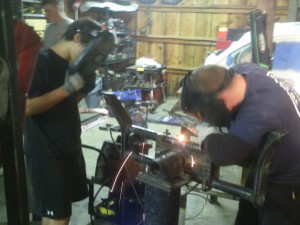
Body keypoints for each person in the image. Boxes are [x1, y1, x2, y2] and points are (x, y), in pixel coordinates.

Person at [181, 62, 300, 225]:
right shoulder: (241, 72)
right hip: (266, 162)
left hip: (288, 176)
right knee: (247, 215)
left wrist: (204, 128)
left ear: (218, 102)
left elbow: (222, 154)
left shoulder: (260, 111)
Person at [24, 18, 102, 225]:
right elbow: (28, 107)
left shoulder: (73, 66)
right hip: (46, 151)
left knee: (58, 212)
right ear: (77, 38)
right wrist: (67, 88)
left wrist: (82, 87)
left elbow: (64, 102)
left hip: (68, 147)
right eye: (89, 51)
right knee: (58, 216)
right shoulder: (42, 61)